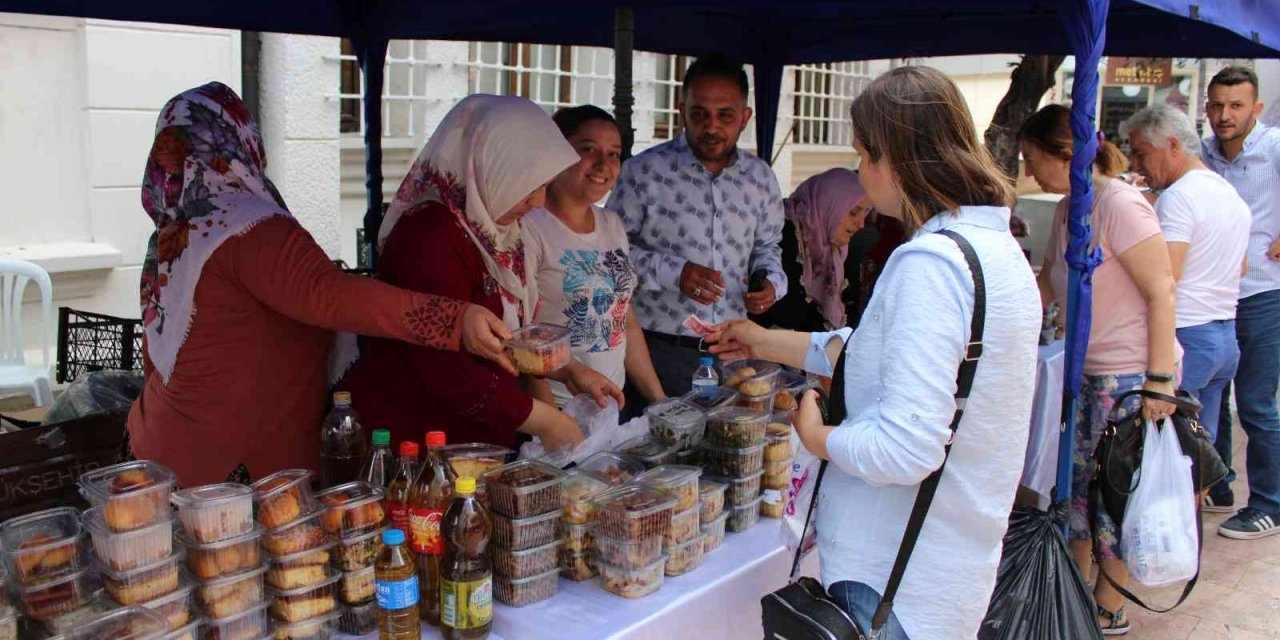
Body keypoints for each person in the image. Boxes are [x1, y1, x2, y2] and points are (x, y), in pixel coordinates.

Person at [709, 66, 1040, 640]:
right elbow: (870, 353)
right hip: (946, 561)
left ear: (899, 158)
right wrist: (761, 339)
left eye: (864, 155)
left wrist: (816, 437)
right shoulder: (995, 250)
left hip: (895, 576)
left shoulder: (931, 264)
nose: (860, 173)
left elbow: (906, 448)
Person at [126, 83, 514, 486]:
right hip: (229, 478)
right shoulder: (245, 225)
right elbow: (326, 294)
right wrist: (454, 320)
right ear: (241, 139)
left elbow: (156, 354)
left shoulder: (176, 231)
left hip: (158, 450)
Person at [340, 95, 622, 453]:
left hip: (480, 442)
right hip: (418, 449)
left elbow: (507, 338)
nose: (537, 202)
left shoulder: (497, 229)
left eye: (544, 186)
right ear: (493, 165)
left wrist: (568, 369)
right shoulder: (429, 235)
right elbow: (447, 369)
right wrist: (549, 421)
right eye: (530, 185)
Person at [1021, 103, 1179, 635]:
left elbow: (1161, 290)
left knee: (1112, 496)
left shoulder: (1120, 205)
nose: (1028, 172)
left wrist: (1159, 381)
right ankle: (1076, 590)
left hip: (1126, 378)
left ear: (1063, 155)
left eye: (1032, 158)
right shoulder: (1070, 206)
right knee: (1078, 490)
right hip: (1082, 370)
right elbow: (1048, 280)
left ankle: (1110, 603)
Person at [607, 53, 787, 398]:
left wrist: (771, 285)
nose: (712, 127)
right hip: (657, 352)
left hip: (734, 350)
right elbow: (610, 255)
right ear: (682, 111)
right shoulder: (644, 172)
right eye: (700, 113)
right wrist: (675, 272)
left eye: (725, 116)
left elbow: (768, 249)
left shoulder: (760, 178)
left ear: (745, 117)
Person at [1123, 104, 1250, 482]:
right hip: (1223, 335)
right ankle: (1188, 535)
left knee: (1164, 460)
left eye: (1142, 153)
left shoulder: (1179, 197)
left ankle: (1165, 537)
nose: (1137, 164)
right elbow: (1240, 268)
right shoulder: (1227, 193)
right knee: (1192, 459)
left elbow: (1166, 277)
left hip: (1188, 335)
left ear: (1173, 146)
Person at [522, 105, 666, 408]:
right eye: (588, 149)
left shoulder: (612, 224)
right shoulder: (529, 227)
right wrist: (551, 428)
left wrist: (660, 400)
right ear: (557, 152)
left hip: (608, 406)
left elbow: (624, 320)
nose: (603, 164)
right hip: (555, 408)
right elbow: (521, 338)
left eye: (614, 154)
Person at [1201, 66, 1280, 539]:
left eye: (1235, 106)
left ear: (1257, 108)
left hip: (1263, 292)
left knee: (1256, 403)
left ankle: (1270, 503)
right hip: (1215, 292)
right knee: (1218, 390)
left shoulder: (1272, 147)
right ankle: (1220, 484)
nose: (1223, 115)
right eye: (1216, 105)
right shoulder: (1205, 152)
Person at [752, 168, 872, 332]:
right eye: (853, 212)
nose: (861, 224)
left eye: (866, 214)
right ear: (828, 203)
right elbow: (784, 314)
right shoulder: (782, 235)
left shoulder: (835, 250)